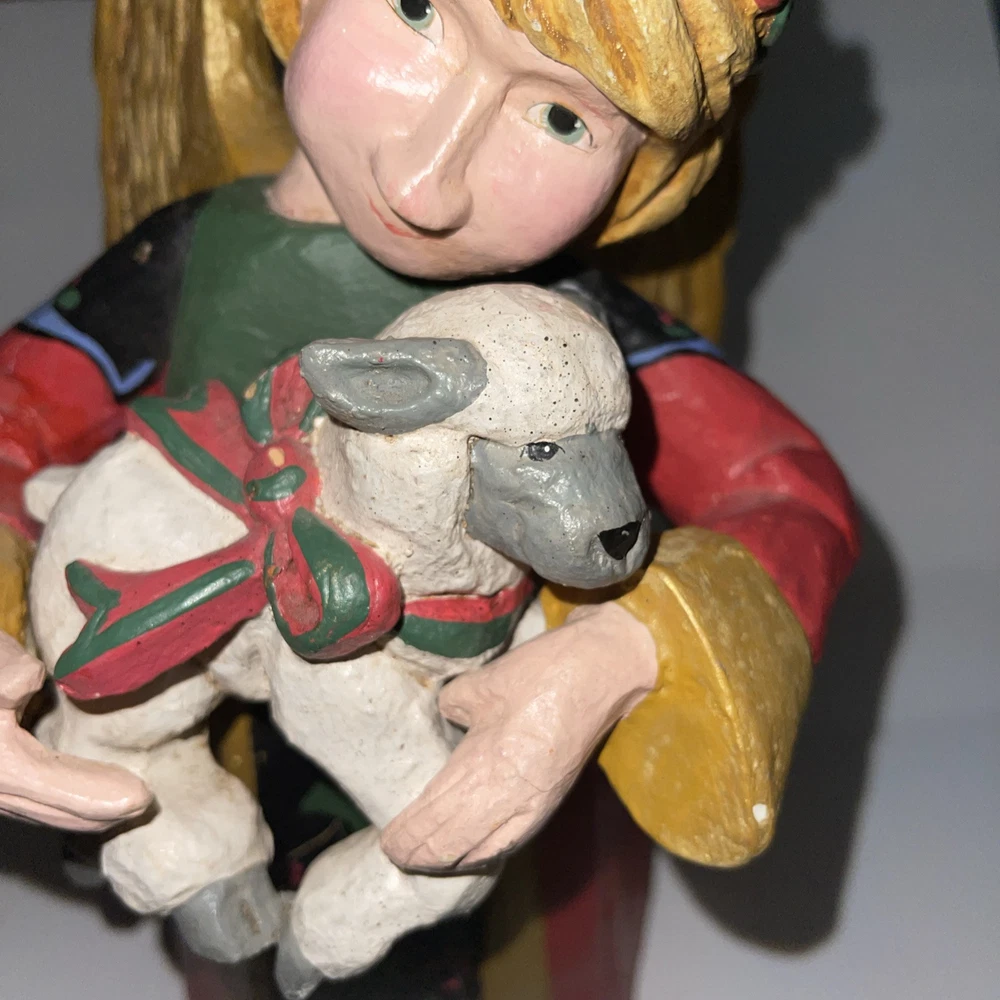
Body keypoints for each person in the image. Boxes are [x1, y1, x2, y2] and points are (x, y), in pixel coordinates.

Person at [0, 0, 857, 994]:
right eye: (415, 10)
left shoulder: (571, 329)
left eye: (562, 117)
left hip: (509, 784)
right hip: (229, 711)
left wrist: (623, 648)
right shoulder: (189, 257)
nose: (426, 178)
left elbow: (786, 498)